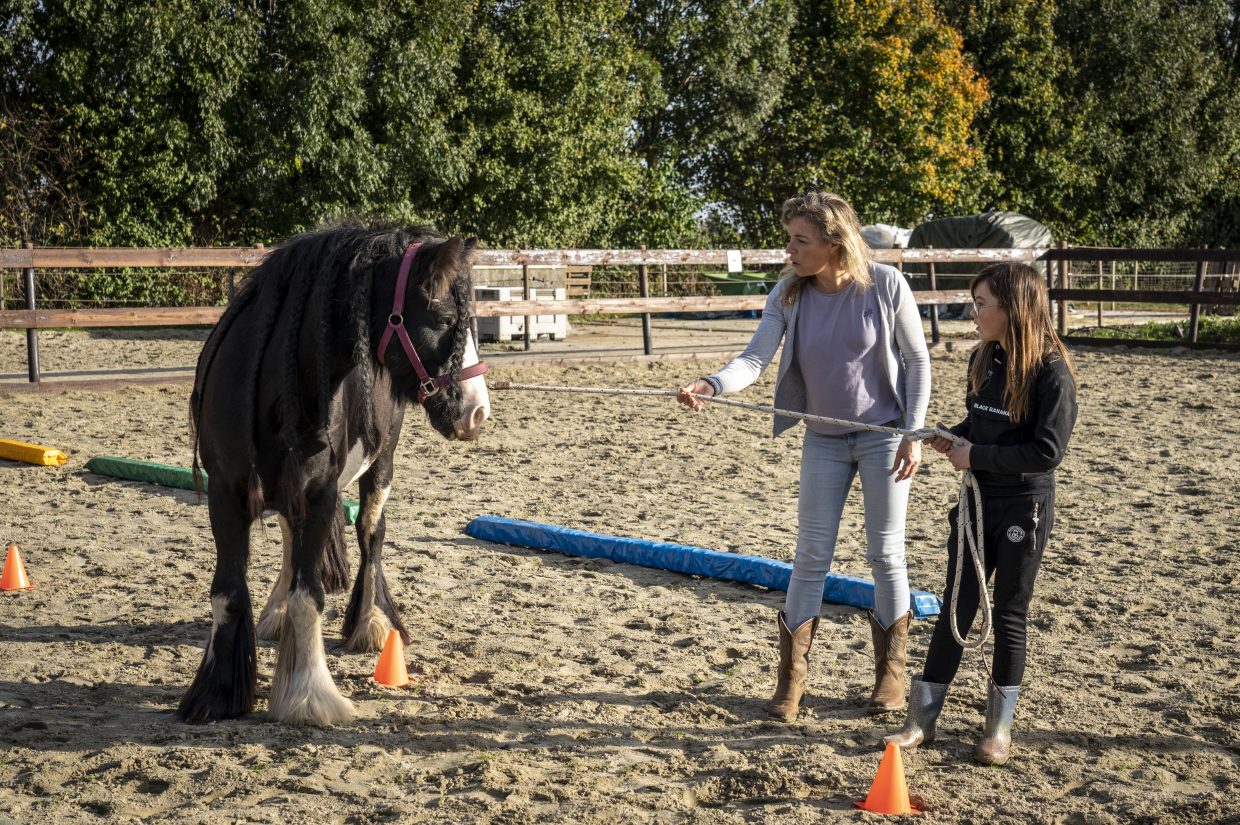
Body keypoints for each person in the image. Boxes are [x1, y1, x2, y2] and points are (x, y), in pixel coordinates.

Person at [677, 191, 930, 721]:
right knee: (810, 557)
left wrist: (913, 432)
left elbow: (917, 360)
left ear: (835, 243)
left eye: (800, 241)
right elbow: (754, 358)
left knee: (885, 555)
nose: (789, 251)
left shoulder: (885, 285)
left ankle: (891, 675)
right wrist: (712, 385)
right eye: (789, 239)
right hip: (822, 437)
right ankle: (791, 683)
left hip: (885, 434)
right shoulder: (788, 294)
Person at [885, 262, 1078, 766]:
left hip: (1023, 506)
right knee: (957, 604)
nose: (974, 313)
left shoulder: (1051, 372)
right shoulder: (984, 358)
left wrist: (977, 457)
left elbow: (1047, 452)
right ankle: (921, 721)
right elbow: (982, 420)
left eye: (982, 304)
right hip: (975, 503)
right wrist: (951, 434)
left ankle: (998, 730)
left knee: (1010, 612)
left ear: (1013, 308)